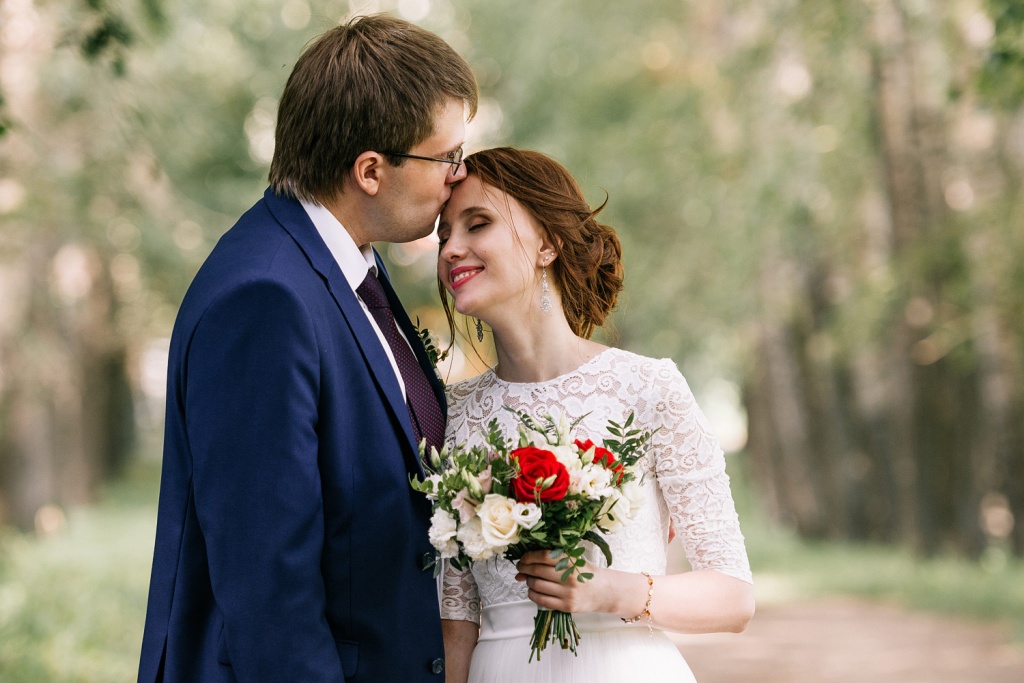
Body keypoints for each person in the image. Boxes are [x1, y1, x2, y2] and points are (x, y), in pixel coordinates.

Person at [137, 15, 478, 683]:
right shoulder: (264, 297)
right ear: (371, 170)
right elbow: (270, 587)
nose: (458, 176)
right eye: (447, 157)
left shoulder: (352, 269)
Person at [435, 148, 754, 682]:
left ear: (548, 244)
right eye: (443, 234)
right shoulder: (453, 413)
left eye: (478, 223)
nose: (450, 249)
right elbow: (456, 622)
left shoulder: (647, 389)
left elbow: (733, 597)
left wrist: (608, 590)